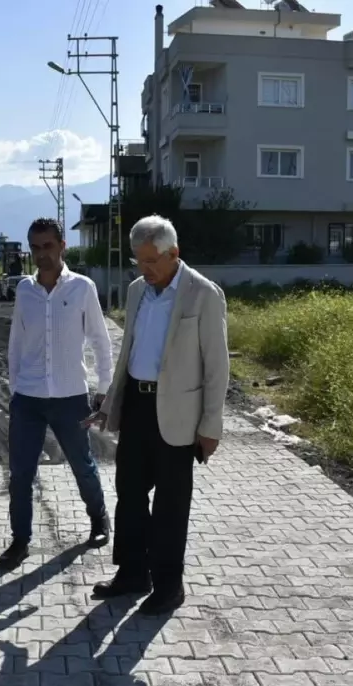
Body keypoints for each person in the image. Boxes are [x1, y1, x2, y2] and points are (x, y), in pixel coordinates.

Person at [86, 214, 229, 615]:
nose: (144, 269)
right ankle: (133, 573)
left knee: (170, 504)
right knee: (129, 495)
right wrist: (111, 402)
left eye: (151, 261)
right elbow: (129, 351)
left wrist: (211, 426)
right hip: (136, 405)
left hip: (179, 414)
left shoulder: (203, 294)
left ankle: (168, 586)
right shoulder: (136, 291)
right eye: (138, 260)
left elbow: (217, 367)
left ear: (174, 254)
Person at [0, 217, 113, 570]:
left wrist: (104, 390)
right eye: (35, 247)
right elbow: (16, 342)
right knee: (20, 473)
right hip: (29, 399)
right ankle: (20, 540)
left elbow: (100, 340)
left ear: (62, 246)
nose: (41, 254)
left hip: (70, 397)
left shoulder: (82, 288)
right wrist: (16, 386)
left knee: (82, 464)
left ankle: (98, 520)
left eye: (48, 246)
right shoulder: (25, 291)